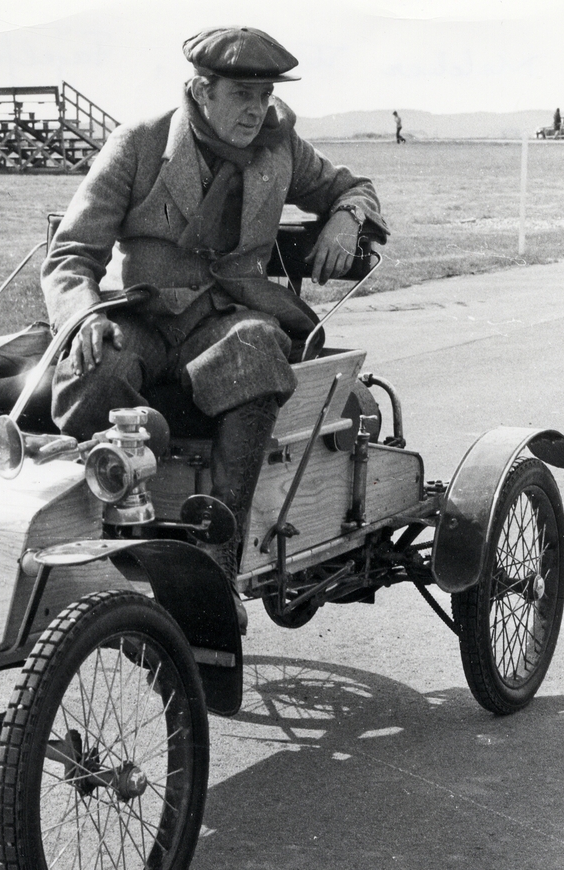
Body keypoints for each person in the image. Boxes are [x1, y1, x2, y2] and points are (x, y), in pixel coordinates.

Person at [42, 25, 388, 620]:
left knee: (257, 349)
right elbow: (71, 254)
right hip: (144, 315)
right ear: (202, 90)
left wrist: (346, 218)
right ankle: (109, 540)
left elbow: (354, 186)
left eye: (265, 94)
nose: (257, 109)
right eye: (241, 94)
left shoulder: (281, 145)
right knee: (93, 371)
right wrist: (80, 318)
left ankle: (218, 563)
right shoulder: (139, 144)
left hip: (225, 319)